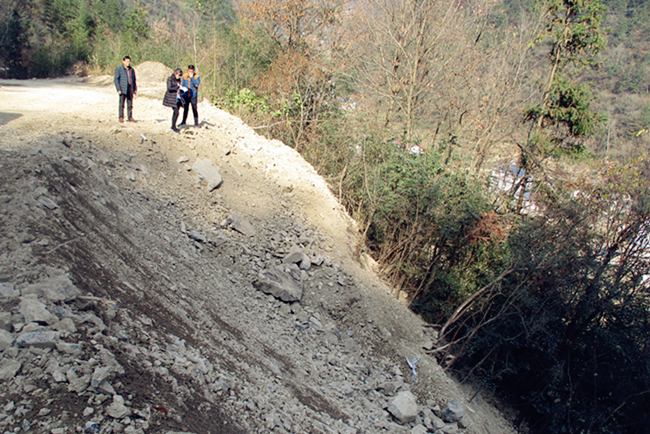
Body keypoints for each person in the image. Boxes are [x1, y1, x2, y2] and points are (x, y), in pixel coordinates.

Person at [114, 56, 137, 122]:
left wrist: (135, 88)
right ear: (123, 61)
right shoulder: (119, 69)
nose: (128, 63)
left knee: (130, 104)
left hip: (130, 88)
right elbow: (116, 79)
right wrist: (118, 88)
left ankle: (130, 117)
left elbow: (134, 79)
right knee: (121, 104)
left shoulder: (131, 70)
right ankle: (121, 117)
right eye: (127, 61)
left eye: (129, 61)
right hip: (123, 88)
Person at [163, 69, 183, 133]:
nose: (179, 77)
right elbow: (169, 88)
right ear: (175, 73)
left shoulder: (179, 80)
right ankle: (173, 127)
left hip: (178, 97)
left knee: (177, 112)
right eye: (179, 75)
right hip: (171, 97)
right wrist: (177, 88)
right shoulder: (170, 79)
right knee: (176, 112)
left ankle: (174, 126)